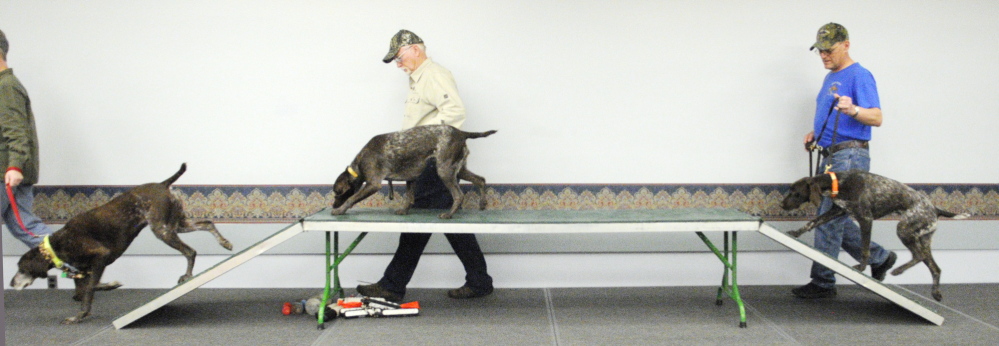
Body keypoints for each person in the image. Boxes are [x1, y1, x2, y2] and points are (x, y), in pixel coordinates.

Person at [356, 30, 494, 302]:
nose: (397, 63)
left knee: (417, 225)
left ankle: (392, 285)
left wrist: (431, 152)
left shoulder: (434, 74)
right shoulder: (418, 79)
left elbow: (454, 113)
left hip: (431, 160)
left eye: (398, 57)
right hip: (423, 160)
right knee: (447, 226)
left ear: (415, 50)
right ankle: (479, 280)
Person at [793, 23, 897, 299]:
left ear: (846, 45)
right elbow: (832, 113)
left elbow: (876, 117)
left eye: (829, 50)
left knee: (827, 217)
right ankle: (879, 258)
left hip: (849, 156)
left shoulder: (860, 75)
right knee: (834, 217)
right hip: (831, 154)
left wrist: (854, 109)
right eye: (820, 51)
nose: (824, 56)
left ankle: (823, 282)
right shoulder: (830, 78)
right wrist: (817, 133)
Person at [0, 29, 53, 248]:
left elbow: (17, 131)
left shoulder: (6, 87)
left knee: (26, 227)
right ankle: (81, 265)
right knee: (26, 227)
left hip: (6, 171)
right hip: (10, 172)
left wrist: (15, 166)